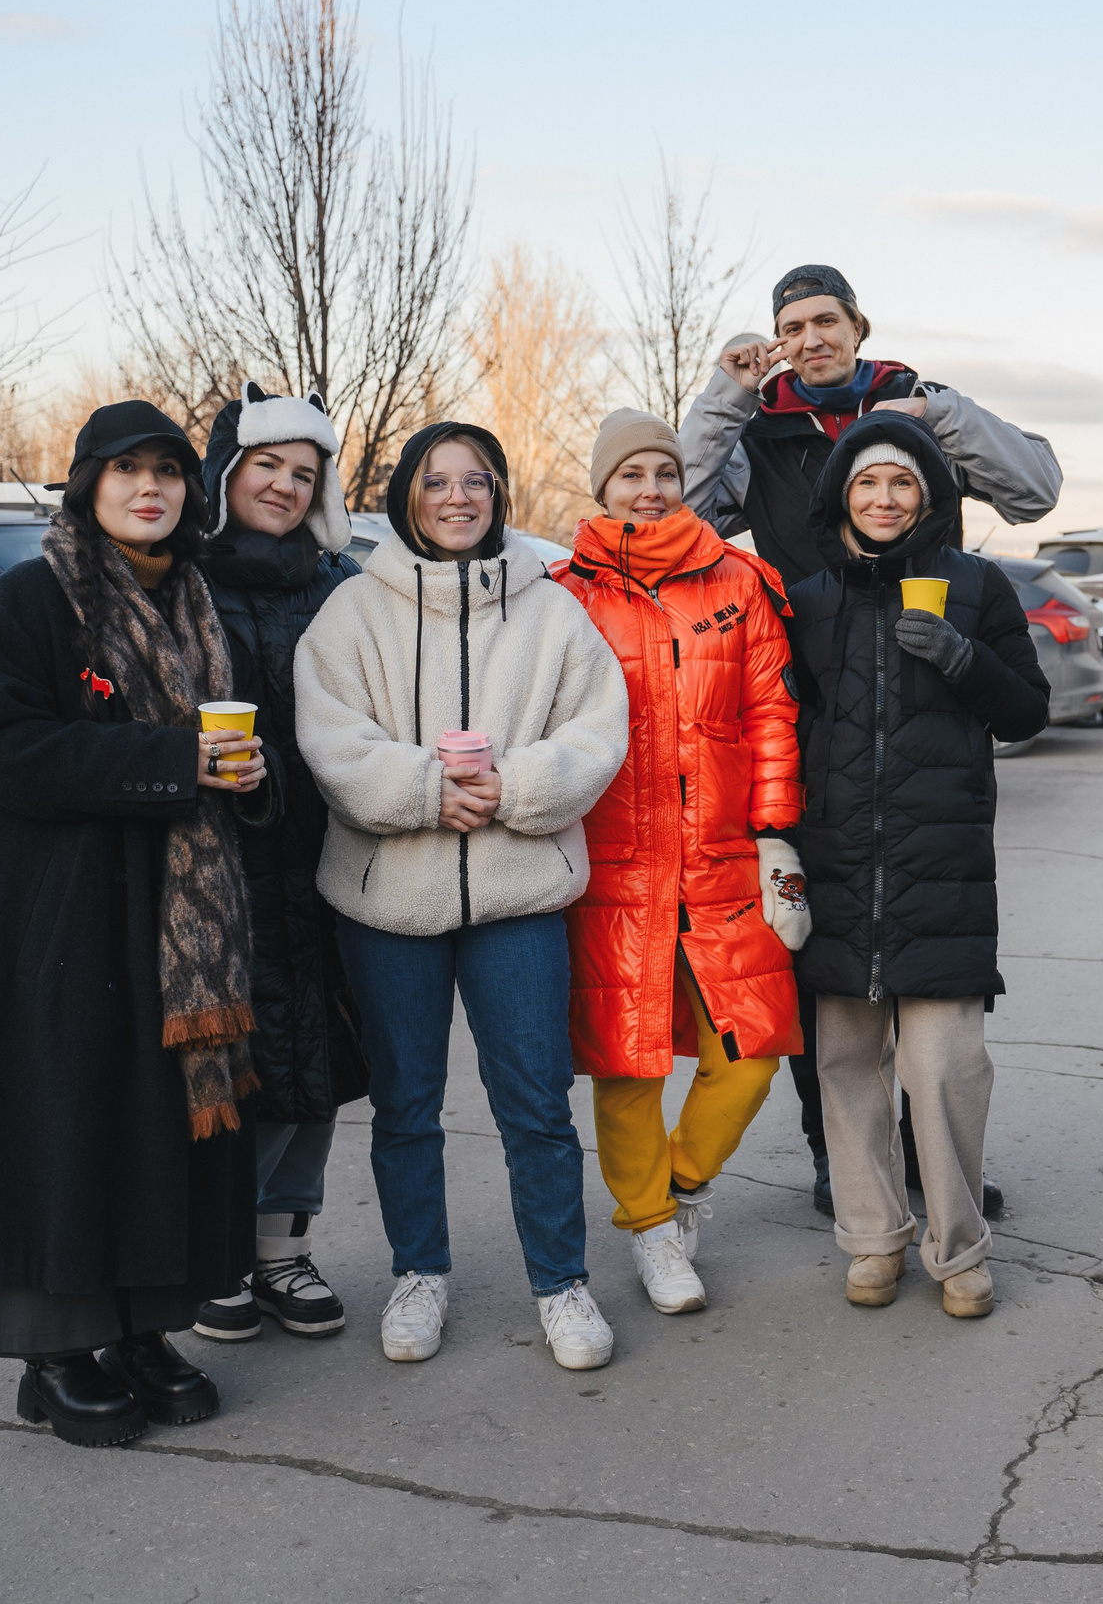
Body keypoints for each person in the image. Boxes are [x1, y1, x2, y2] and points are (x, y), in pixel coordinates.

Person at [682, 266, 1062, 1216]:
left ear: (858, 325)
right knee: (827, 954)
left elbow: (1036, 490)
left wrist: (943, 412)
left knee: (925, 940)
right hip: (811, 704)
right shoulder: (758, 428)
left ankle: (935, 1157)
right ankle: (840, 1156)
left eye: (826, 320)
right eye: (791, 325)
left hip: (924, 709)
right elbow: (680, 517)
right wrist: (723, 398)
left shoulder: (917, 410)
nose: (810, 337)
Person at [0, 401, 266, 1447]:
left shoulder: (201, 604)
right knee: (65, 1125)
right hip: (52, 921)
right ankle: (55, 1348)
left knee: (155, 1128)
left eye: (167, 470)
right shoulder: (29, 601)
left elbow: (235, 755)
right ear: (88, 487)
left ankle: (145, 1326)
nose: (149, 486)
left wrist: (251, 778)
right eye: (125, 471)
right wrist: (172, 763)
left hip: (170, 923)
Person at [294, 421, 629, 1369]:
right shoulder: (352, 611)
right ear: (405, 495)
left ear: (498, 494)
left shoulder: (553, 611)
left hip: (519, 896)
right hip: (387, 901)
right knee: (405, 1102)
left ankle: (562, 1285)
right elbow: (330, 741)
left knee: (536, 1105)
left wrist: (517, 787)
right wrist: (428, 790)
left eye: (475, 480)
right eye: (435, 481)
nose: (455, 497)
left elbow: (598, 732)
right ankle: (420, 1273)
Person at [785, 412, 1049, 1318]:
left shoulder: (976, 587)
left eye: (901, 481)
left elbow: (1026, 711)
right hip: (839, 865)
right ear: (843, 496)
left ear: (929, 494)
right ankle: (871, 1237)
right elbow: (791, 726)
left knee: (944, 1068)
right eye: (867, 481)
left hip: (939, 869)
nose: (885, 498)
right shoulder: (812, 599)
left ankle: (960, 1244)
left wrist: (965, 659)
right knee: (848, 1065)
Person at [552, 409, 809, 1317]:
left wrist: (774, 827)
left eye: (664, 469)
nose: (651, 487)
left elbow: (772, 711)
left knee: (752, 1051)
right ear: (603, 488)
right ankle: (653, 1232)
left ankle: (680, 1188)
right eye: (631, 474)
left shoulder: (740, 580)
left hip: (721, 859)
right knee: (628, 1066)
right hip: (613, 867)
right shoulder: (563, 594)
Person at [184, 384, 368, 1346]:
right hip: (213, 868)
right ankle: (215, 1251)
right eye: (267, 466)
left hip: (333, 858)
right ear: (226, 473)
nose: (286, 486)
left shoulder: (341, 585)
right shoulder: (180, 580)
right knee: (235, 1064)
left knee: (323, 1061)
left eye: (306, 473)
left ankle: (281, 1250)